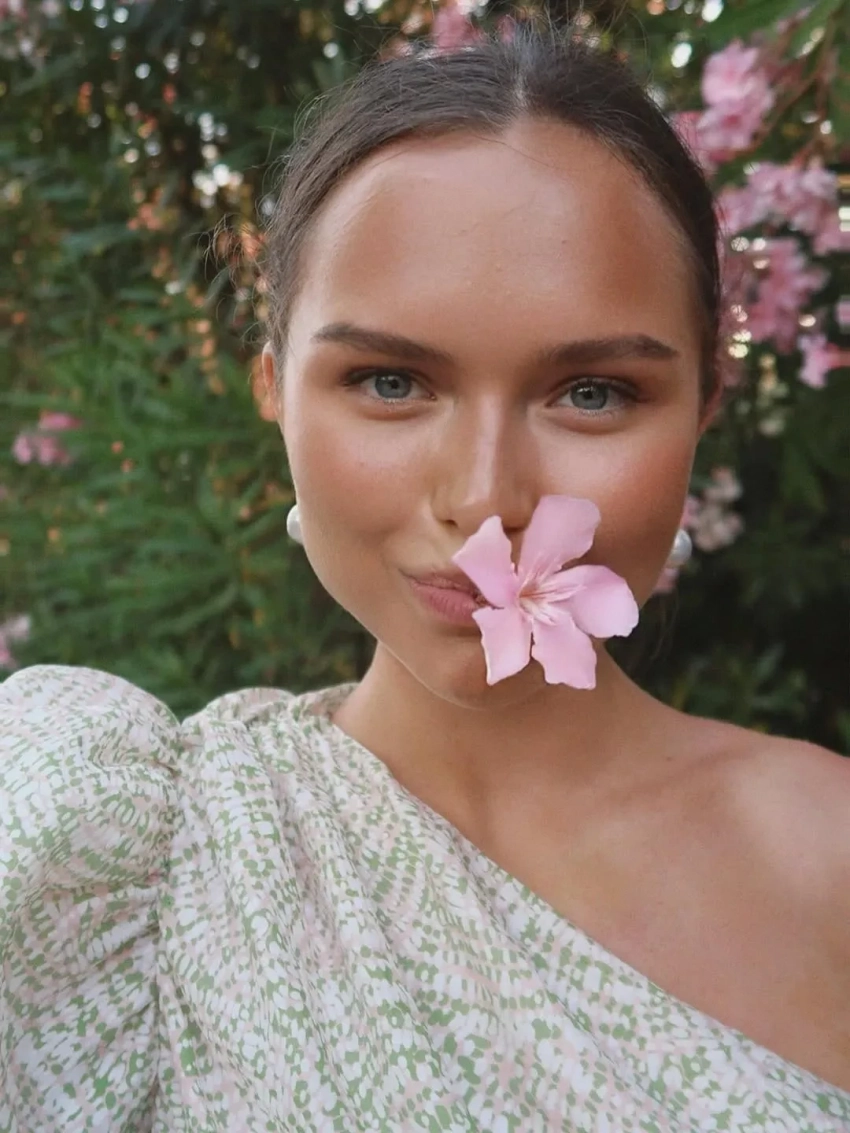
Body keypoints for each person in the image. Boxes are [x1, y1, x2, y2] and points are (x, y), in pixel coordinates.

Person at [1, 24, 848, 1133]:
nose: (485, 499)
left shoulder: (829, 857)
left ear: (703, 407)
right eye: (391, 381)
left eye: (593, 392)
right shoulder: (115, 849)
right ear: (275, 390)